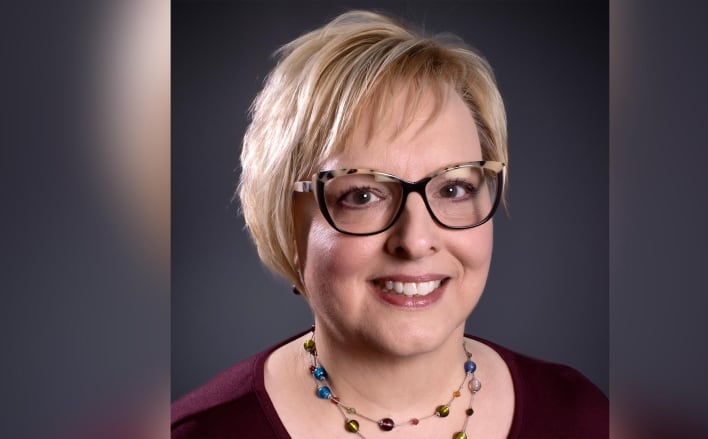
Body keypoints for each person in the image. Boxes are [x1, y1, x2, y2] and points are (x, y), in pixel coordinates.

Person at [172, 10, 607, 438]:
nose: (415, 241)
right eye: (362, 195)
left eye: (453, 189)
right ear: (287, 222)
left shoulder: (584, 418)